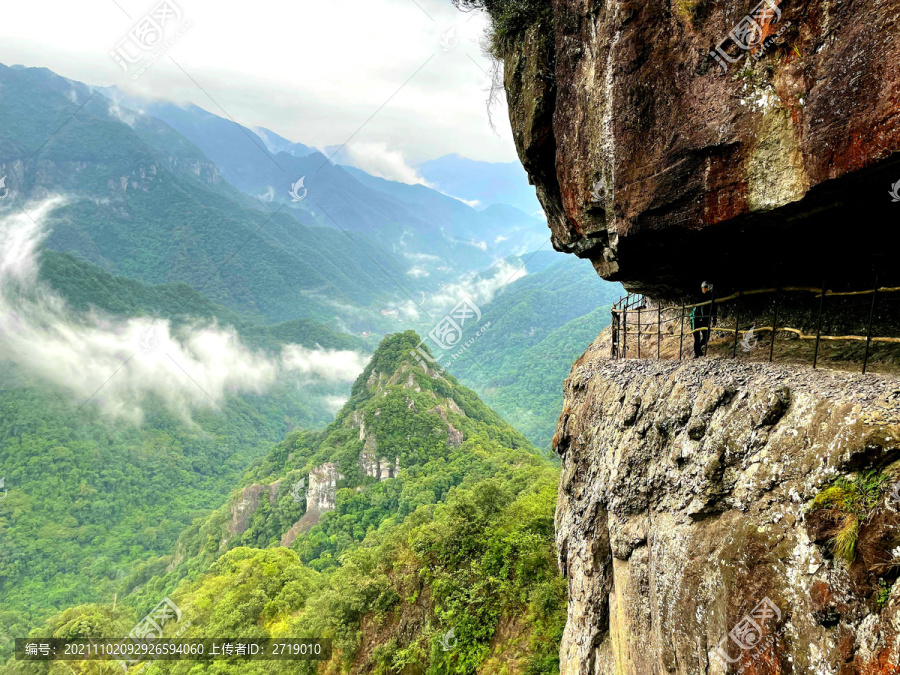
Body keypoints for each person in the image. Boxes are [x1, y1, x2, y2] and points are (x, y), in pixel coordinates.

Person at [691, 281, 715, 358]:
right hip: (696, 319)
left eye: (704, 288)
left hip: (704, 319)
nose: (704, 289)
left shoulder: (711, 297)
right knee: (697, 337)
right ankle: (697, 353)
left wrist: (714, 320)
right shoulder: (699, 296)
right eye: (704, 288)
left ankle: (699, 349)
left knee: (706, 337)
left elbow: (714, 309)